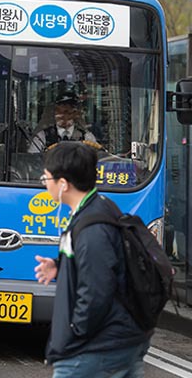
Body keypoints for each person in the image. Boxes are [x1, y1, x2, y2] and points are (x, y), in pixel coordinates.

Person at [34, 142, 151, 377]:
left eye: (46, 178)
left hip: (95, 349)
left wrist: (74, 332)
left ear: (63, 184)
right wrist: (60, 266)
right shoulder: (98, 208)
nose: (44, 183)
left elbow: (97, 291)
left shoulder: (92, 228)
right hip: (115, 341)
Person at [28, 92, 97, 153]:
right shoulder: (42, 137)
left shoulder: (86, 137)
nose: (63, 116)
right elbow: (33, 162)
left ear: (76, 114)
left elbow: (98, 159)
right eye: (59, 111)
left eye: (68, 111)